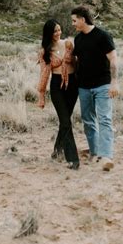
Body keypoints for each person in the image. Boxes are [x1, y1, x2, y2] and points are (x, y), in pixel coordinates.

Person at [71, 6, 118, 172]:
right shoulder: (78, 40)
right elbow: (76, 61)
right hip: (84, 86)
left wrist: (114, 83)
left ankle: (106, 156)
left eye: (74, 20)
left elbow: (113, 59)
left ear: (83, 19)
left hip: (103, 84)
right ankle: (95, 152)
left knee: (104, 119)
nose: (73, 23)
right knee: (88, 119)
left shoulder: (103, 36)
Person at [37, 19, 80, 170]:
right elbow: (44, 74)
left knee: (65, 121)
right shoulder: (45, 51)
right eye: (54, 31)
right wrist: (41, 96)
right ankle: (73, 159)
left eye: (59, 30)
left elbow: (76, 63)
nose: (57, 33)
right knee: (66, 121)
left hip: (72, 85)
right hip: (56, 87)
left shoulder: (68, 44)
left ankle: (57, 151)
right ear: (48, 33)